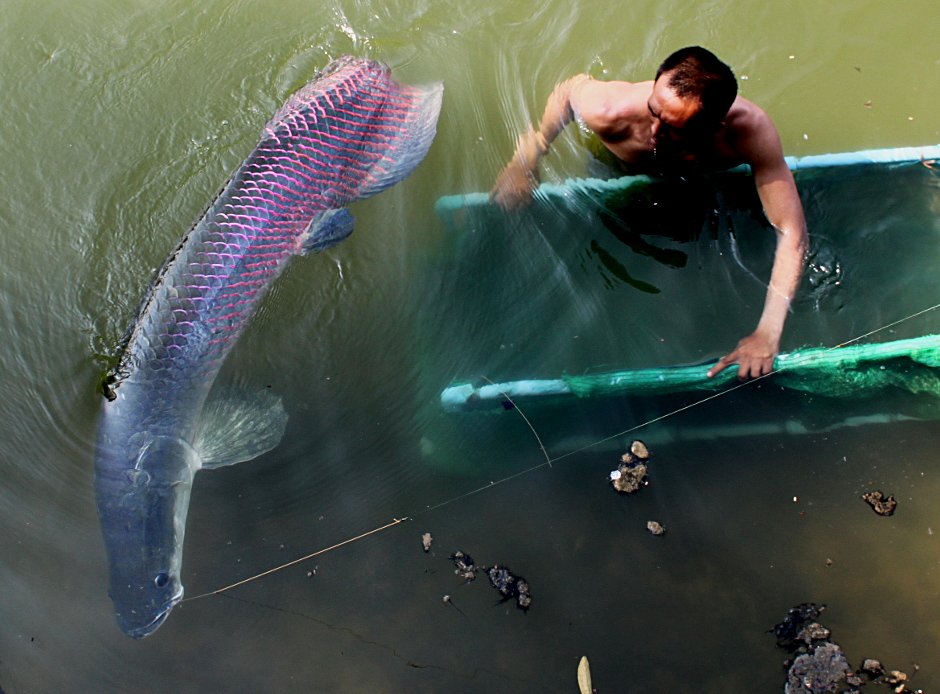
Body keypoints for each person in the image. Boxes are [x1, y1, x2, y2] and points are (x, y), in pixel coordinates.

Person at [490, 47, 807, 380]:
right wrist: (527, 158)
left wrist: (768, 333)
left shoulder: (749, 133)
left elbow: (792, 233)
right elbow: (570, 90)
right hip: (619, 166)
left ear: (714, 127)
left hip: (699, 182)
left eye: (675, 129)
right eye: (654, 111)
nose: (655, 131)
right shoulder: (609, 112)